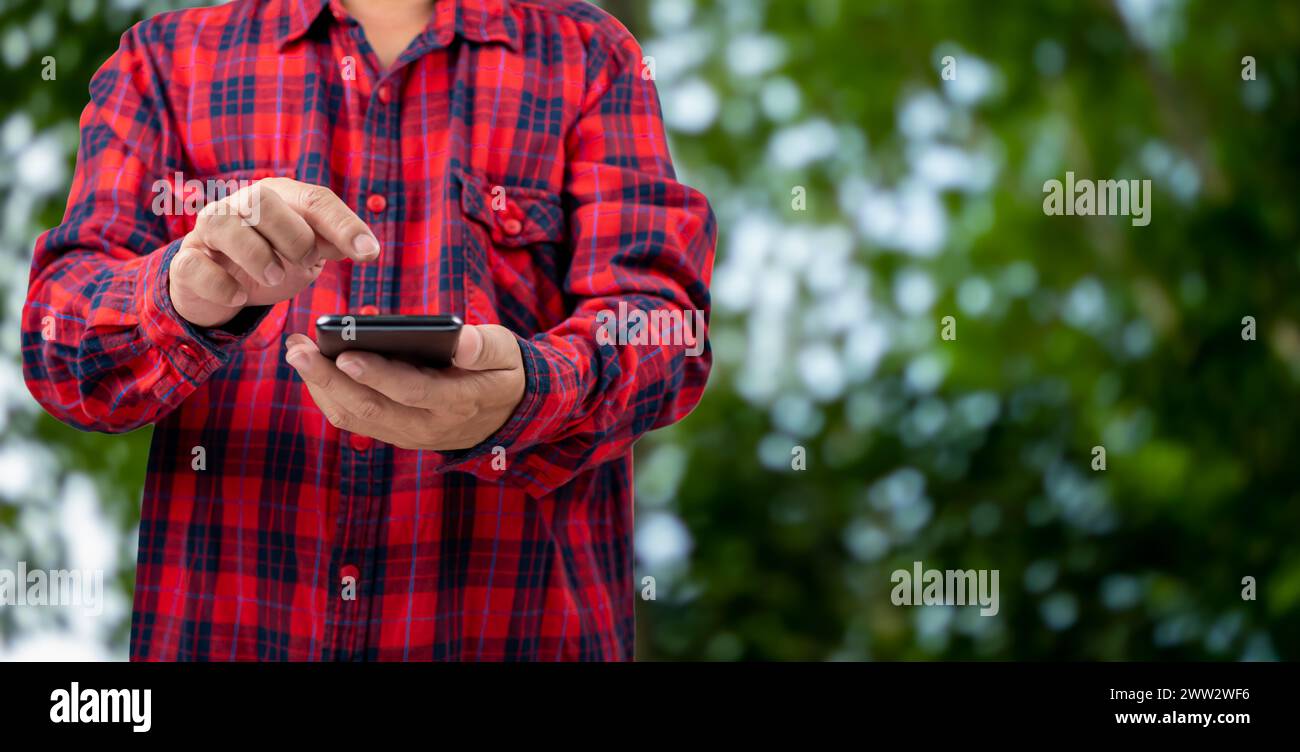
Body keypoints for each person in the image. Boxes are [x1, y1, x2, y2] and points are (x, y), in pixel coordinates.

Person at [22, 0, 715, 661]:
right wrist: (180, 290)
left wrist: (534, 390)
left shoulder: (589, 55)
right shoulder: (163, 63)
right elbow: (59, 345)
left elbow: (664, 324)